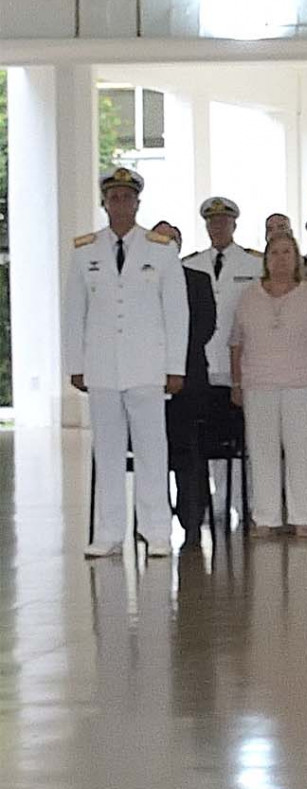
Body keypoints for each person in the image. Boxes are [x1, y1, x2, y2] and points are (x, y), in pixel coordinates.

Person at [63, 167, 189, 558]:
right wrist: (75, 363)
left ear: (137, 203)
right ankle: (108, 533)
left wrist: (175, 367)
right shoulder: (85, 250)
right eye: (113, 197)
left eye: (127, 197)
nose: (120, 204)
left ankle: (156, 531)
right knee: (108, 452)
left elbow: (176, 312)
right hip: (101, 366)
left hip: (147, 367)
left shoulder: (161, 249)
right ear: (104, 203)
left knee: (153, 451)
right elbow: (74, 311)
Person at [229, 233, 307, 536]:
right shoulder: (249, 296)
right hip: (258, 385)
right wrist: (236, 382)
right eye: (274, 252)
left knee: (301, 453)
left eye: (287, 252)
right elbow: (236, 343)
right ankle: (266, 517)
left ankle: (302, 516)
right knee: (261, 452)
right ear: (266, 259)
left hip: (302, 385)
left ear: (296, 258)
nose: (280, 259)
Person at [188, 197, 264, 530]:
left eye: (223, 221)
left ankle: (245, 501)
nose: (217, 227)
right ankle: (217, 501)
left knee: (245, 436)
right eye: (212, 222)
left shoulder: (253, 265)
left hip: (241, 364)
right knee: (210, 435)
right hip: (203, 363)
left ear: (234, 224)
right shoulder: (191, 264)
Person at [165, 219, 219, 550]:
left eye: (172, 240)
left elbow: (205, 327)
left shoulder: (198, 281)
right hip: (146, 382)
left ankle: (192, 520)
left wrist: (173, 363)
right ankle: (155, 521)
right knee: (155, 454)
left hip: (190, 380)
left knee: (190, 453)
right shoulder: (138, 283)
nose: (165, 246)